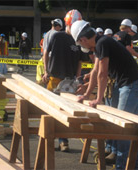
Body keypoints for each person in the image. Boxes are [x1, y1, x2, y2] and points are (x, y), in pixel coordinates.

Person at [71, 20, 138, 169]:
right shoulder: (101, 43)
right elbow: (95, 72)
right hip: (130, 84)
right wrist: (86, 94)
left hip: (130, 85)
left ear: (83, 40)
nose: (83, 48)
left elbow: (103, 74)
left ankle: (122, 166)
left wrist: (98, 98)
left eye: (81, 44)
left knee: (122, 130)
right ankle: (134, 166)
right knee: (130, 130)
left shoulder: (102, 43)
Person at [42, 9, 82, 152]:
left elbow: (80, 62)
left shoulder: (78, 39)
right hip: (54, 77)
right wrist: (46, 71)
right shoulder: (57, 36)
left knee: (65, 112)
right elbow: (46, 53)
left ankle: (63, 141)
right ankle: (49, 140)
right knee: (50, 110)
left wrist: (77, 78)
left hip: (69, 81)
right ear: (68, 24)